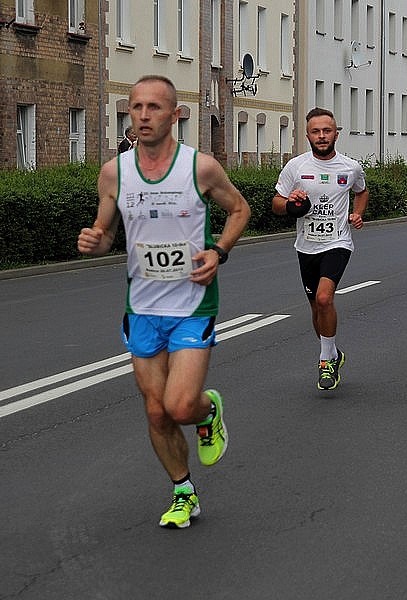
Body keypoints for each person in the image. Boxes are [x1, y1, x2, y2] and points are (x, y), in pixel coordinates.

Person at [77, 75, 250, 529]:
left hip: (192, 304)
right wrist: (95, 241)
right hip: (142, 307)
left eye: (154, 107)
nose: (143, 115)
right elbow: (106, 232)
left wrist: (218, 251)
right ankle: (183, 492)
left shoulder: (200, 168)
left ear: (175, 115)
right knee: (155, 410)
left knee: (179, 405)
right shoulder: (115, 173)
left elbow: (239, 209)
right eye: (136, 107)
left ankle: (207, 411)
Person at [272, 107, 369, 391]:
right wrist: (291, 203)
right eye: (316, 131)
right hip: (306, 246)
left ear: (336, 134)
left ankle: (325, 360)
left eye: (327, 131)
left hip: (338, 242)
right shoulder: (296, 167)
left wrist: (357, 213)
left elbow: (362, 191)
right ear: (308, 136)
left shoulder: (350, 167)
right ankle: (334, 353)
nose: (322, 136)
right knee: (316, 308)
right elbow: (276, 204)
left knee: (325, 298)